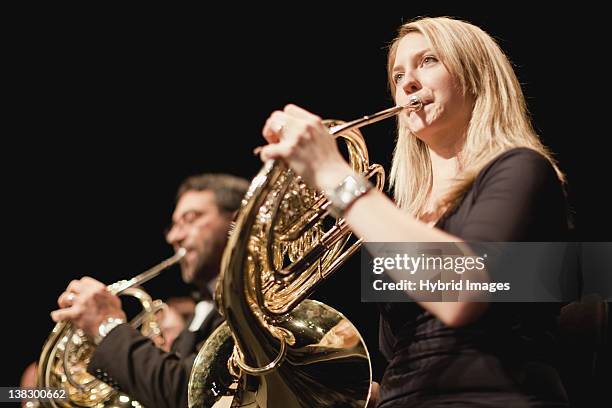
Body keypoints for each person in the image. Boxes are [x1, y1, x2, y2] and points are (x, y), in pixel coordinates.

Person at [259, 17, 570, 407]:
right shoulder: (404, 217)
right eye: (398, 74)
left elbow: (459, 293)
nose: (407, 83)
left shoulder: (523, 169)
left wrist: (331, 172)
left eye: (428, 61)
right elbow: (407, 357)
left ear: (476, 76)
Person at [50, 173, 250, 408]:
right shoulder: (200, 310)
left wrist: (106, 325)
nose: (175, 237)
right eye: (173, 226)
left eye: (191, 218)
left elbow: (192, 394)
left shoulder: (252, 300)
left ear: (238, 221)